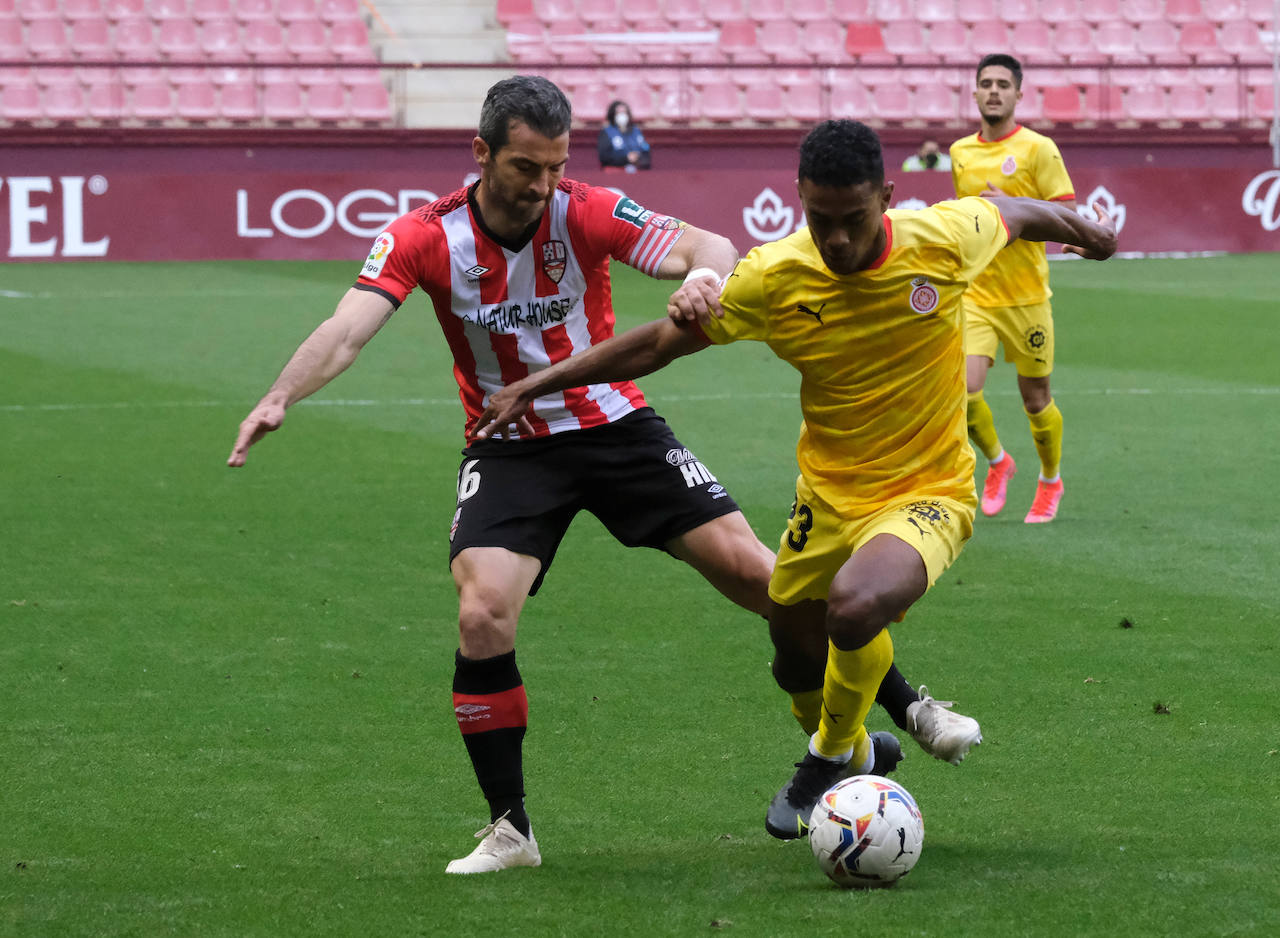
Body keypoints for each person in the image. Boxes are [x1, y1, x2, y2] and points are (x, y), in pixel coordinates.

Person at [227, 78, 929, 875]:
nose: (544, 186)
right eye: (527, 168)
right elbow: (347, 328)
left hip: (615, 425)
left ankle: (896, 709)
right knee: (483, 612)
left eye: (557, 166)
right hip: (511, 446)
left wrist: (703, 276)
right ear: (482, 154)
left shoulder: (585, 207)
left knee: (769, 582)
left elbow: (709, 247)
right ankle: (511, 831)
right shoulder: (424, 235)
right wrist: (282, 394)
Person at [472, 119, 1118, 840]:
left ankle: (830, 756)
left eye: (854, 219)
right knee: (793, 655)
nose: (837, 239)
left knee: (854, 606)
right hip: (828, 496)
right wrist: (542, 382)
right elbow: (658, 344)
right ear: (798, 200)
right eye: (821, 220)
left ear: (888, 198)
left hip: (929, 489)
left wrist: (1084, 227)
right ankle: (873, 739)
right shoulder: (774, 276)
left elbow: (1017, 211)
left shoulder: (942, 237)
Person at [950, 53, 1079, 523]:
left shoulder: (1038, 149)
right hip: (977, 294)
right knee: (961, 393)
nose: (994, 91)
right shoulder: (961, 152)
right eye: (986, 83)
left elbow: (1067, 216)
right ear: (975, 91)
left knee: (1035, 399)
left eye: (1003, 84)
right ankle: (999, 463)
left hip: (1026, 298)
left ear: (1018, 94)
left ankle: (1050, 481)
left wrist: (1015, 208)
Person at [597, 100, 651, 172]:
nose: (622, 115)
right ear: (613, 114)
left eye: (624, 112)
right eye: (619, 113)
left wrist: (637, 157)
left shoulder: (636, 131)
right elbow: (604, 157)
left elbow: (646, 149)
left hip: (636, 170)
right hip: (615, 171)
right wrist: (626, 159)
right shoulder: (606, 132)